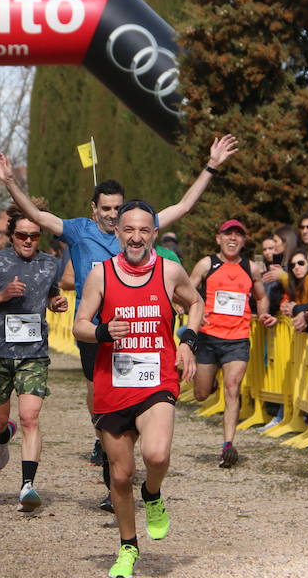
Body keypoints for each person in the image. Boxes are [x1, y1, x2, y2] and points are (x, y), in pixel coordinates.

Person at [0, 133, 237, 511]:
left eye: (117, 209)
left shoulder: (133, 235)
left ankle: (121, 465)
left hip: (138, 333)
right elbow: (37, 217)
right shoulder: (78, 230)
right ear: (94, 210)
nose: (110, 214)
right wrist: (9, 181)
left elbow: (183, 206)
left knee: (135, 404)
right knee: (99, 395)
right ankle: (105, 437)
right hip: (95, 332)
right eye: (105, 208)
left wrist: (211, 166)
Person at [72, 199, 203, 578]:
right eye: (128, 229)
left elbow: (195, 304)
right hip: (112, 382)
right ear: (117, 232)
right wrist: (101, 331)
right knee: (121, 474)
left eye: (144, 230)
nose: (136, 236)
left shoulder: (170, 271)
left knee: (157, 455)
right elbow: (79, 325)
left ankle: (153, 494)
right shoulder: (102, 274)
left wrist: (186, 342)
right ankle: (128, 547)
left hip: (157, 378)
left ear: (154, 234)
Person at [0, 202, 68, 512]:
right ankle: (2, 435)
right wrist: (0, 296)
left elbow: (50, 292)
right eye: (22, 235)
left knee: (30, 418)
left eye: (34, 236)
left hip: (34, 354)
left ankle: (27, 486)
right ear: (11, 235)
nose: (27, 241)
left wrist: (54, 303)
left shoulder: (49, 264)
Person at [188, 219, 277, 467]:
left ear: (243, 241)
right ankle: (210, 380)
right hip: (207, 337)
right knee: (201, 394)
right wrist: (193, 309)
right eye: (228, 234)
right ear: (219, 238)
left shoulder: (251, 268)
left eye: (238, 235)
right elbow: (185, 289)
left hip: (237, 339)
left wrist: (264, 314)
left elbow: (261, 297)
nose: (233, 239)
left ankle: (228, 444)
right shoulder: (207, 264)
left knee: (233, 388)